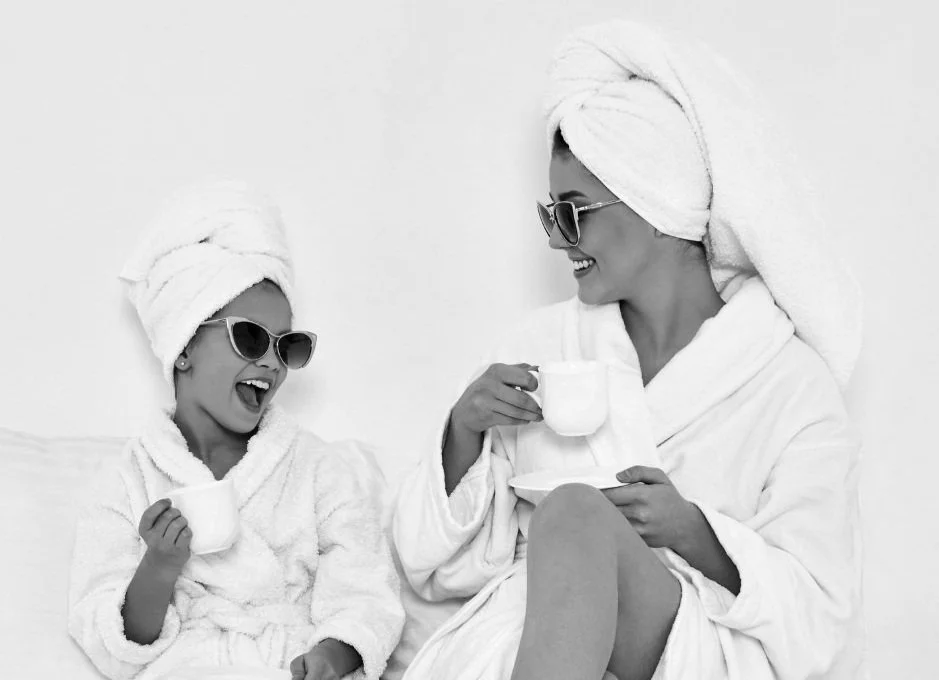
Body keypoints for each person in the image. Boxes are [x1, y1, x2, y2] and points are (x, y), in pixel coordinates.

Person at [393, 20, 863, 680]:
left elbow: (819, 617)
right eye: (550, 215)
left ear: (654, 202)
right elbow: (432, 566)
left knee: (574, 510)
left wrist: (693, 532)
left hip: (686, 646)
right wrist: (464, 434)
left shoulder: (790, 385)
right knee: (566, 521)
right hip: (538, 637)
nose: (557, 241)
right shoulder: (541, 348)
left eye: (574, 212)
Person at [68, 181, 404, 680]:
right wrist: (159, 567)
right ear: (183, 346)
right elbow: (111, 643)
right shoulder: (126, 482)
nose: (271, 362)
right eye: (249, 337)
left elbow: (367, 594)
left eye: (286, 346)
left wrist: (332, 656)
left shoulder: (320, 469)